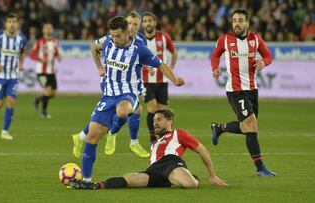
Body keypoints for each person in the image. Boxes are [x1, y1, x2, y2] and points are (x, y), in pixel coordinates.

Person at [79, 16, 184, 184]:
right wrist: (99, 67)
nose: (115, 39)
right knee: (91, 137)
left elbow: (161, 64)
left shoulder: (139, 49)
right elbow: (94, 47)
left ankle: (113, 132)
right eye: (112, 35)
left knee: (122, 110)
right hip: (108, 95)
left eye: (118, 35)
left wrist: (175, 79)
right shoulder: (108, 43)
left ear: (128, 32)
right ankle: (85, 181)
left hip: (129, 94)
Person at [69, 109, 227, 189]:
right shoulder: (154, 144)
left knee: (190, 185)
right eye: (154, 120)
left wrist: (212, 175)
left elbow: (202, 150)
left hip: (171, 162)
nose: (155, 123)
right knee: (129, 179)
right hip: (154, 170)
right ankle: (95, 185)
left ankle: (192, 178)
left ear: (169, 121)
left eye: (159, 119)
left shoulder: (179, 134)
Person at [72, 11, 150, 158]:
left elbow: (140, 62)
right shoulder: (112, 38)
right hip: (112, 82)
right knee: (128, 110)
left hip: (130, 83)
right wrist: (100, 68)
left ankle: (81, 136)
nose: (132, 27)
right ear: (125, 24)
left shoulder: (141, 41)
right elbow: (94, 46)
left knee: (134, 110)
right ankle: (118, 137)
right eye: (130, 23)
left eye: (135, 24)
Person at [210, 9, 276, 177]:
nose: (236, 24)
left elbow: (269, 56)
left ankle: (219, 128)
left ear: (247, 23)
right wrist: (215, 68)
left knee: (248, 128)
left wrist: (263, 62)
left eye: (240, 20)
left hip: (252, 89)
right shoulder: (225, 40)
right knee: (251, 125)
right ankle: (260, 168)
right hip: (235, 90)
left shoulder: (255, 39)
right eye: (234, 20)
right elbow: (215, 55)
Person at [0, 13, 27, 140]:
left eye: (14, 21)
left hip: (13, 76)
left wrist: (21, 63)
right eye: (10, 22)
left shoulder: (22, 39)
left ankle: (5, 131)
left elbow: (23, 51)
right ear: (5, 24)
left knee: (11, 102)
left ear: (17, 24)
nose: (12, 24)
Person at [141, 12, 178, 144]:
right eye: (145, 21)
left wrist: (171, 69)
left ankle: (163, 137)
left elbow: (174, 53)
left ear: (155, 23)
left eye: (150, 20)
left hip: (162, 80)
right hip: (146, 80)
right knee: (151, 107)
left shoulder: (164, 37)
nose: (148, 23)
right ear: (142, 24)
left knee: (162, 111)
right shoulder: (139, 40)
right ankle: (152, 138)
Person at [30, 22, 61, 119]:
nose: (48, 29)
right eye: (46, 28)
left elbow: (56, 53)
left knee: (54, 93)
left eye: (50, 28)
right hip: (41, 72)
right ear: (43, 30)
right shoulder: (39, 42)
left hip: (51, 71)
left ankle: (37, 99)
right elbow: (32, 54)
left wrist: (58, 56)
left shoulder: (55, 41)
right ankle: (44, 113)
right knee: (47, 91)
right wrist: (40, 59)